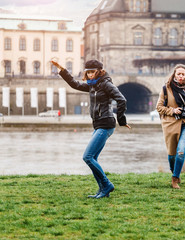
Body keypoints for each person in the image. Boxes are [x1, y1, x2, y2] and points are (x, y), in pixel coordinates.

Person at [51, 59, 131, 199]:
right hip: (98, 124)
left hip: (106, 124)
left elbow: (122, 99)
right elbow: (74, 84)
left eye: (92, 72)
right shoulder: (92, 86)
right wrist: (62, 69)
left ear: (99, 71)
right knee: (92, 158)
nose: (90, 75)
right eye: (87, 73)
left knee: (87, 157)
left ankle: (107, 185)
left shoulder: (106, 84)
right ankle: (102, 190)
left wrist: (121, 120)